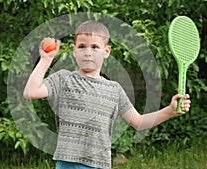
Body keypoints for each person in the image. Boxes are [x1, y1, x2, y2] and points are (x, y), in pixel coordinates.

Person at [23, 20, 191, 169]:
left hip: (99, 164)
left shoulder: (114, 90)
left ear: (107, 51)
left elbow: (139, 122)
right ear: (74, 50)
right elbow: (31, 92)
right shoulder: (63, 79)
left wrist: (169, 110)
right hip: (69, 163)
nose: (88, 52)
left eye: (95, 47)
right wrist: (45, 60)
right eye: (82, 46)